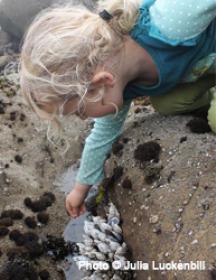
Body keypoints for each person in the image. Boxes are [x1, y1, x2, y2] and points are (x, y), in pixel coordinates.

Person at [20, 0, 216, 218]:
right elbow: (102, 135)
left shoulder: (170, 22)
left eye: (80, 112)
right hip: (206, 69)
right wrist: (80, 188)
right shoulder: (122, 85)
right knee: (168, 104)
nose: (83, 118)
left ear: (98, 84)